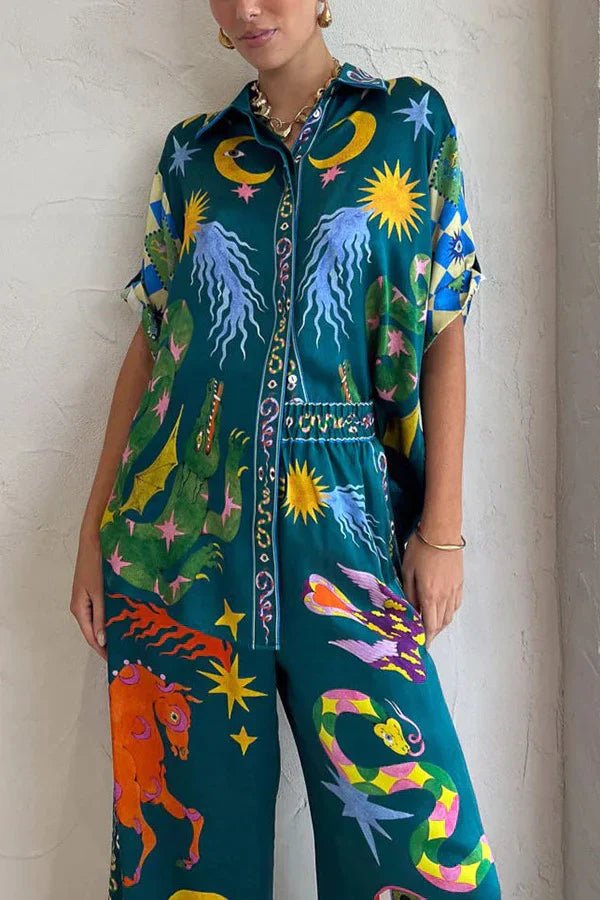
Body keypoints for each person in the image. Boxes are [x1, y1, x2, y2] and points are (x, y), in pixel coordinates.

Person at [71, 1, 502, 897]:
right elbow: (154, 346)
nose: (246, 7)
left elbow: (444, 328)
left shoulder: (410, 123)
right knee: (187, 860)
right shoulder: (191, 152)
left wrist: (443, 530)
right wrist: (91, 531)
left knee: (421, 852)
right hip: (178, 540)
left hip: (342, 523)